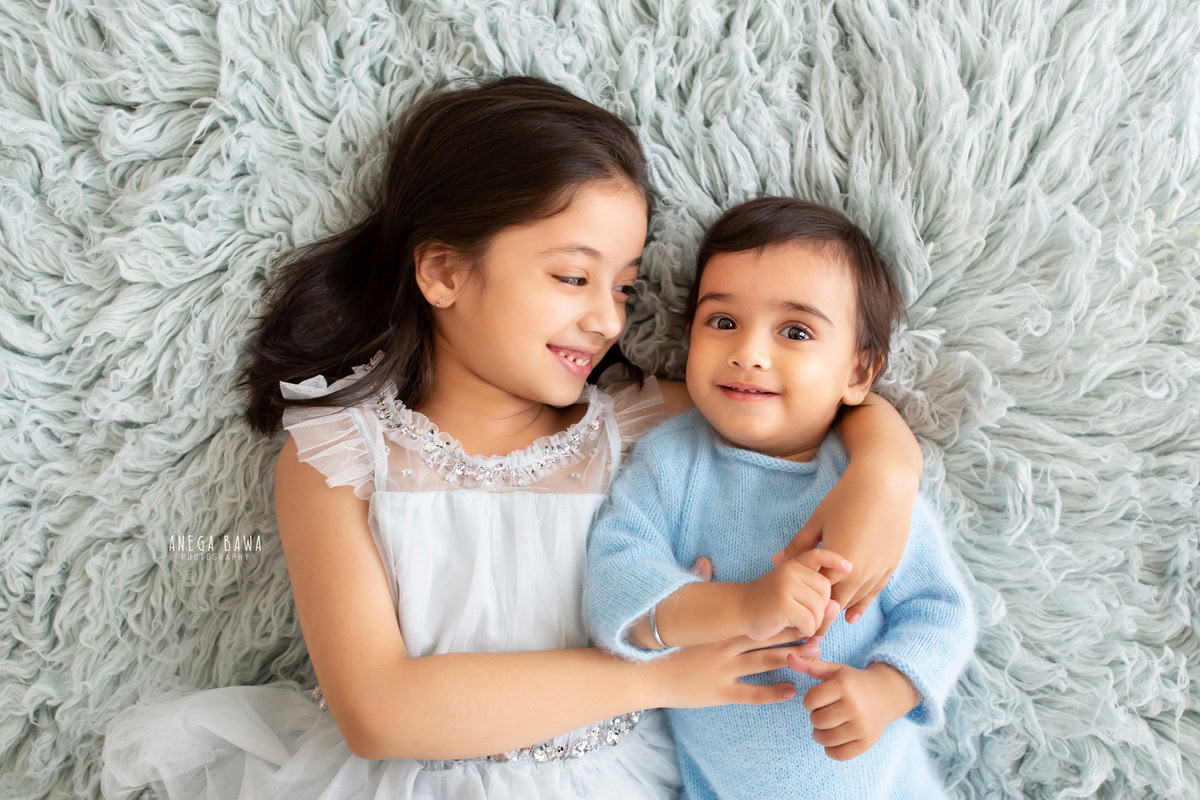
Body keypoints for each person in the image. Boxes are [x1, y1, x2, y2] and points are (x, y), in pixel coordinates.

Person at [100, 77, 926, 799]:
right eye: (572, 276)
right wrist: (660, 676)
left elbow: (799, 398)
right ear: (445, 272)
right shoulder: (340, 457)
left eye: (626, 287)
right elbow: (381, 713)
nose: (606, 318)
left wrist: (887, 470)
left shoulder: (638, 422)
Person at [586, 197, 978, 800]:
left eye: (795, 331)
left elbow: (939, 611)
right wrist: (738, 607)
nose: (748, 351)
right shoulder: (672, 463)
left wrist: (886, 689)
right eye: (722, 322)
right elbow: (615, 586)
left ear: (858, 372)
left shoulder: (859, 489)